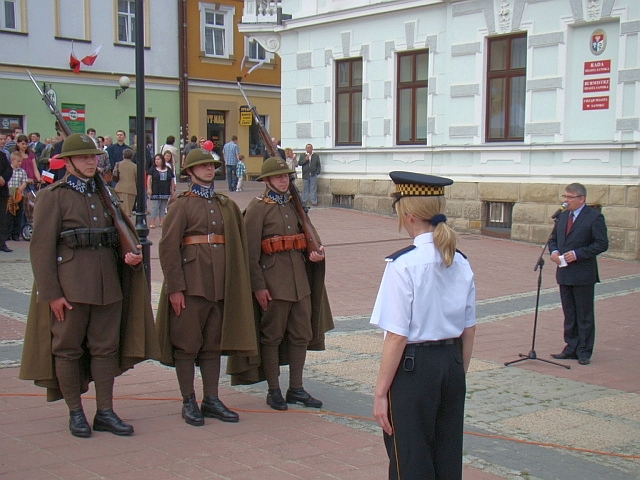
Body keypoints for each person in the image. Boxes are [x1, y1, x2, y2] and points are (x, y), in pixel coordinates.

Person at [19, 133, 160, 438]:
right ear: (67, 162)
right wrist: (52, 294)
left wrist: (129, 254)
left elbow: (118, 235)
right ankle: (75, 413)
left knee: (105, 349)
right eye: (84, 157)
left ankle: (105, 412)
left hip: (107, 284)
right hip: (71, 287)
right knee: (67, 349)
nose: (91, 161)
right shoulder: (52, 196)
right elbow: (41, 249)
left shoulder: (104, 194)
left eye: (94, 157)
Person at [371, 172, 476, 480]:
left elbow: (396, 336)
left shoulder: (403, 265)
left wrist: (380, 394)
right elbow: (469, 329)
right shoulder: (459, 260)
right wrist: (457, 371)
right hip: (451, 363)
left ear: (409, 213)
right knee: (446, 456)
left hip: (414, 369)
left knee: (411, 459)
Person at [156, 148, 257, 427]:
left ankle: (211, 398)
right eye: (202, 167)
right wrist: (175, 287)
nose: (209, 170)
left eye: (211, 166)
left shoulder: (224, 203)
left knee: (213, 345)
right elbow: (168, 247)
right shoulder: (182, 204)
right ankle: (188, 399)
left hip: (220, 283)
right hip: (192, 284)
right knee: (187, 345)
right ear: (189, 172)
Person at [242, 157, 333, 410]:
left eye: (287, 176)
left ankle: (296, 388)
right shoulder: (258, 208)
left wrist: (315, 254)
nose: (284, 180)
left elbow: (308, 238)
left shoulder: (295, 206)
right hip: (273, 283)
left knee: (301, 335)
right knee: (271, 336)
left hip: (299, 282)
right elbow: (250, 253)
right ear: (267, 180)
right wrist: (258, 286)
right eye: (279, 176)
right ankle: (273, 390)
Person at [548, 183, 608, 366]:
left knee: (584, 314)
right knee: (569, 313)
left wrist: (577, 254)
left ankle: (584, 350)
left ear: (581, 199)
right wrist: (554, 252)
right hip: (564, 272)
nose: (565, 201)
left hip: (583, 274)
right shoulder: (562, 216)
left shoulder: (594, 217)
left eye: (569, 197)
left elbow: (601, 244)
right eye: (564, 197)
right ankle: (570, 347)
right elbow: (553, 240)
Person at [147, 153, 175, 228]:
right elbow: (149, 179)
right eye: (155, 159)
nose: (157, 161)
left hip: (165, 190)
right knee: (155, 207)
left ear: (162, 160)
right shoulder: (152, 169)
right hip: (156, 190)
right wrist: (149, 188)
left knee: (163, 207)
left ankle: (162, 222)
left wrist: (172, 189)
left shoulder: (168, 169)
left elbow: (171, 179)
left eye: (158, 159)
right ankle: (152, 222)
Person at [7, 151, 30, 241]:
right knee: (9, 215)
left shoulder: (22, 172)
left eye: (21, 161)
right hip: (9, 195)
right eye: (18, 161)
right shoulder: (8, 170)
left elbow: (24, 182)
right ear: (12, 160)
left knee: (18, 215)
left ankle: (15, 234)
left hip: (19, 195)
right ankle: (8, 233)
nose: (20, 163)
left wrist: (19, 189)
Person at [113, 148, 137, 217]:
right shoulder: (134, 166)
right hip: (131, 189)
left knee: (120, 210)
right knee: (128, 211)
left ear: (123, 155)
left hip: (119, 188)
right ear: (132, 156)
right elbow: (137, 178)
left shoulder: (118, 164)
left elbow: (114, 175)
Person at [0, 147, 12, 252]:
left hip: (2, 192)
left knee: (2, 218)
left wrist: (3, 178)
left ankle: (2, 243)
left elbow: (9, 169)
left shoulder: (2, 155)